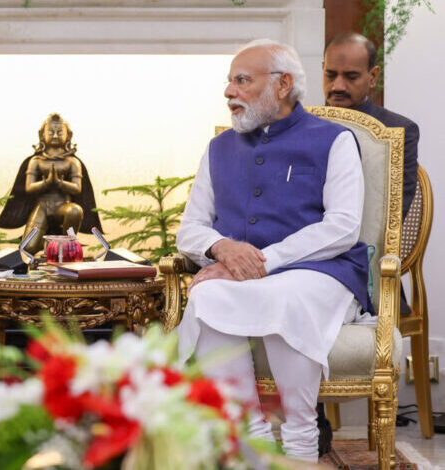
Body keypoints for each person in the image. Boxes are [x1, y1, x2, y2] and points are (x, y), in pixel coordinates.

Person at [176, 39, 372, 462]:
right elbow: (190, 228)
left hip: (323, 273)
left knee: (284, 295)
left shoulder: (335, 140)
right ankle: (250, 438)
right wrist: (222, 247)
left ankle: (301, 441)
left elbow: (343, 226)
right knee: (206, 296)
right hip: (243, 279)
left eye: (242, 80)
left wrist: (264, 262)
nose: (229, 91)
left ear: (282, 85)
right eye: (229, 81)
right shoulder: (219, 149)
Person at [324, 31, 419, 219]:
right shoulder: (303, 125)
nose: (338, 86)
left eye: (351, 76)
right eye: (330, 75)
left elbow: (393, 213)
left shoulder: (397, 130)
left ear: (373, 77)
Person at [0, 113, 102, 254]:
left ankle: (65, 245)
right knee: (28, 247)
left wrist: (59, 183)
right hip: (42, 207)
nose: (55, 135)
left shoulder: (72, 162)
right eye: (51, 132)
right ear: (42, 135)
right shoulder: (36, 161)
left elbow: (77, 188)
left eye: (59, 132)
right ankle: (46, 244)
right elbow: (29, 187)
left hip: (63, 206)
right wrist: (47, 183)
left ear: (68, 135)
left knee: (75, 211)